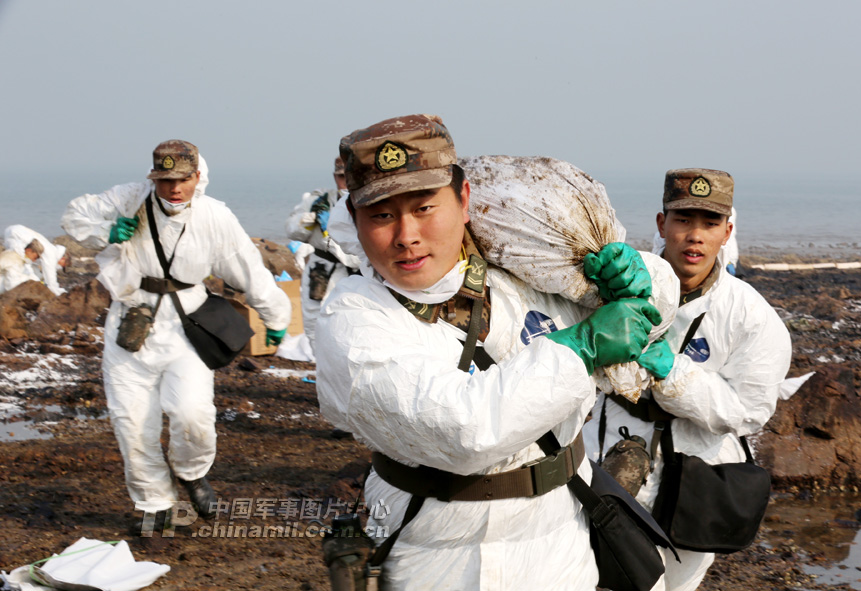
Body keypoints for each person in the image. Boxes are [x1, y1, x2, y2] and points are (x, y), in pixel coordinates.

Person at [316, 114, 664, 590]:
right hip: (434, 554)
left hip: (560, 540)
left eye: (423, 207)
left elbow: (648, 317)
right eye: (381, 215)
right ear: (354, 221)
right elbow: (467, 431)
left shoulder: (521, 274)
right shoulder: (353, 322)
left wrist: (639, 283)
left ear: (463, 200)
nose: (405, 235)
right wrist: (579, 350)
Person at [61, 140, 291, 533]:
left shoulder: (214, 216)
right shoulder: (130, 199)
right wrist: (107, 231)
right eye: (165, 180)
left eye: (182, 179)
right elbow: (73, 216)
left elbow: (245, 265)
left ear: (197, 176)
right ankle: (156, 506)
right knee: (131, 422)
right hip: (131, 320)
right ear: (154, 179)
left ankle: (192, 473)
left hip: (187, 321)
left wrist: (275, 314)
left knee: (192, 413)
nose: (174, 189)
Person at [583, 168, 792, 591]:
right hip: (604, 458)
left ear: (727, 231)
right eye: (682, 220)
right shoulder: (614, 286)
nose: (695, 236)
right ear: (662, 224)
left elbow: (750, 411)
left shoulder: (752, 316)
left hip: (694, 482)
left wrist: (673, 372)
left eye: (710, 223)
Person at [285, 156, 360, 352]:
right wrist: (310, 219)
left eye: (350, 177)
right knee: (314, 321)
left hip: (355, 273)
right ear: (335, 177)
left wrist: (331, 233)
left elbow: (358, 251)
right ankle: (320, 367)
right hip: (321, 268)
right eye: (341, 177)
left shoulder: (367, 205)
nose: (345, 182)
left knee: (352, 325)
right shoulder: (320, 200)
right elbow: (292, 230)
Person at [2, 225, 70, 295]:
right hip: (16, 234)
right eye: (63, 265)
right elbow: (51, 280)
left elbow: (29, 267)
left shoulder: (49, 248)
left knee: (15, 265)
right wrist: (60, 294)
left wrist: (37, 282)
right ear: (63, 258)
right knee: (16, 265)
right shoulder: (52, 254)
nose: (61, 267)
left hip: (12, 231)